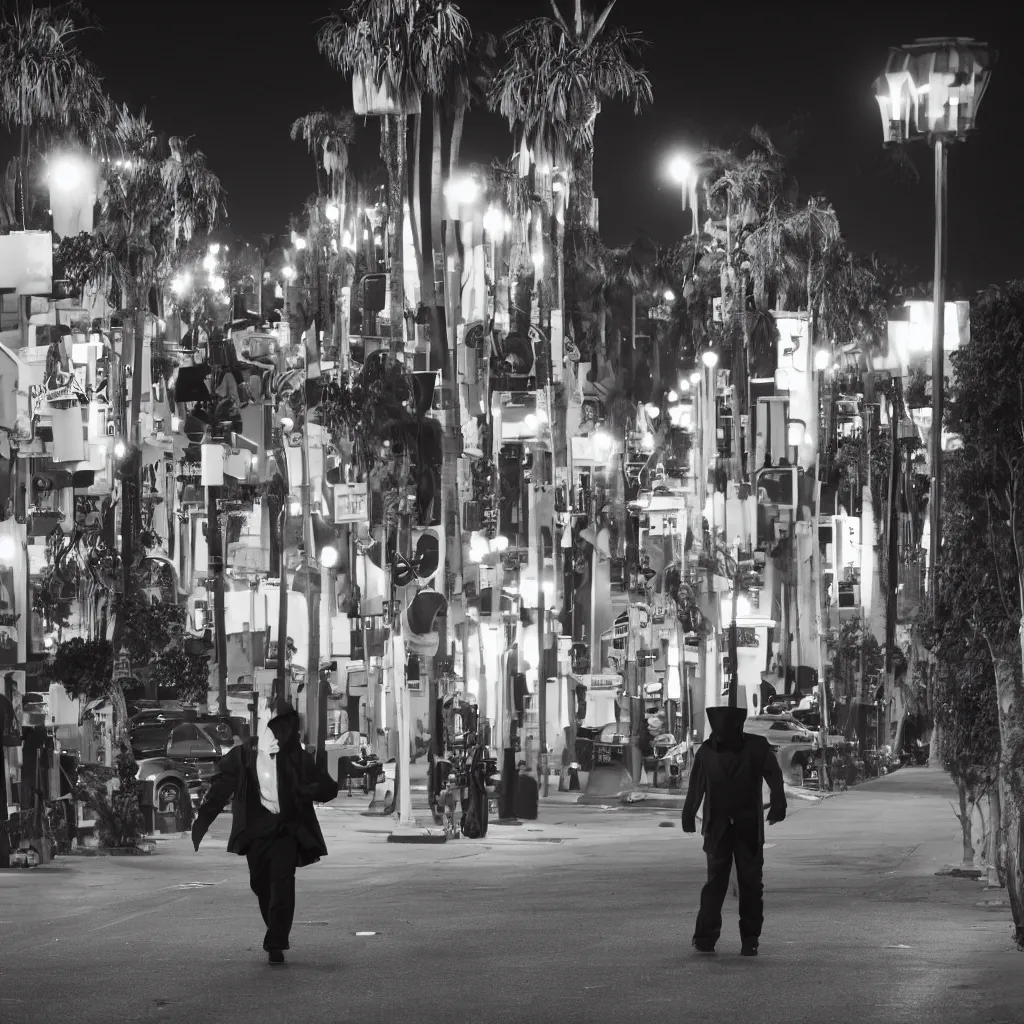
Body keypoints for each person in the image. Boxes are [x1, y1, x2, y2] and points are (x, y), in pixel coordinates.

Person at [191, 698, 339, 965]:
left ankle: (276, 941)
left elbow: (329, 788)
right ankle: (275, 925)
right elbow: (220, 790)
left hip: (286, 831)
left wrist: (307, 790)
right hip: (256, 832)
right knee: (261, 885)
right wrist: (202, 823)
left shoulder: (297, 757)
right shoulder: (243, 756)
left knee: (282, 884)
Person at [681, 706, 787, 957]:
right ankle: (739, 940)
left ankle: (720, 939)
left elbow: (774, 776)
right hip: (733, 827)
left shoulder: (715, 751)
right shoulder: (721, 750)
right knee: (742, 884)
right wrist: (778, 804)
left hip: (732, 827)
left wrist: (688, 815)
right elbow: (774, 776)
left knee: (726, 884)